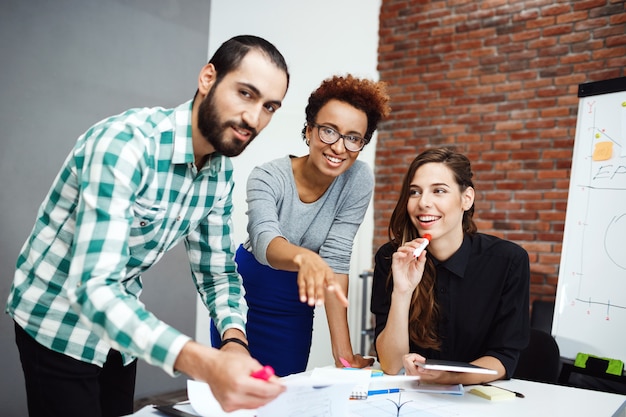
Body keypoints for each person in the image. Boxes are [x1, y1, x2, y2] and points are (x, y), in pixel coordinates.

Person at [6, 35, 290, 417]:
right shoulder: (123, 146)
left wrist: (233, 341)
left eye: (269, 106)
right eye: (245, 93)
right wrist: (205, 364)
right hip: (58, 318)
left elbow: (217, 273)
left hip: (121, 327)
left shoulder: (220, 174)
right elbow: (92, 287)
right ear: (208, 78)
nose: (254, 119)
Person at [211, 74, 391, 377]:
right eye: (328, 131)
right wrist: (306, 258)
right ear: (309, 130)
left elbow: (335, 260)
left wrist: (344, 356)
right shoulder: (267, 177)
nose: (338, 147)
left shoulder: (358, 179)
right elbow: (265, 239)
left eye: (353, 137)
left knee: (285, 393)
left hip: (296, 301)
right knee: (233, 393)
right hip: (245, 295)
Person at [371, 147, 530, 385]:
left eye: (439, 191)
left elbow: (503, 359)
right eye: (415, 192)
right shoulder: (392, 258)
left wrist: (447, 377)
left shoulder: (509, 261)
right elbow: (392, 364)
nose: (424, 202)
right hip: (411, 398)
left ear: (466, 199)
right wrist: (402, 291)